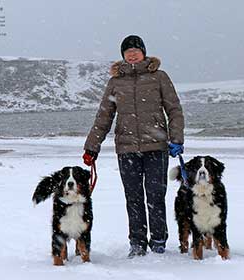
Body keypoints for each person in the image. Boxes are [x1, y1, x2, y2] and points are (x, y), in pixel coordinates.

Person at [83, 35, 184, 258]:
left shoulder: (159, 77)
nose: (131, 53)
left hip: (156, 147)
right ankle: (137, 242)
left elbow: (174, 109)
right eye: (127, 50)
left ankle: (158, 240)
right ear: (123, 56)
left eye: (135, 49)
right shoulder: (116, 82)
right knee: (133, 197)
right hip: (127, 148)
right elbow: (104, 117)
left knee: (156, 195)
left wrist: (176, 138)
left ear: (144, 52)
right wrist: (92, 147)